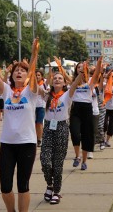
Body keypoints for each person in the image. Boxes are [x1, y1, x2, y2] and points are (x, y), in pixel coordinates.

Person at [0, 38, 39, 212]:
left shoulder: (30, 92)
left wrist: (33, 53)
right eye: (16, 70)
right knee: (5, 187)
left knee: (23, 185)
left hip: (27, 143)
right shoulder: (6, 91)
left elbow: (32, 70)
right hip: (7, 144)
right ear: (12, 75)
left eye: (23, 70)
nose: (19, 72)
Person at [40, 71, 83, 205]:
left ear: (64, 82)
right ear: (52, 82)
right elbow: (34, 87)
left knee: (57, 164)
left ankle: (57, 191)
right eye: (55, 78)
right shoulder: (47, 95)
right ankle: (50, 185)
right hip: (48, 128)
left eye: (60, 78)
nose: (57, 80)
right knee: (45, 161)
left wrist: (82, 72)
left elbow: (76, 83)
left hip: (61, 128)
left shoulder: (67, 95)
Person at [70, 58, 102, 170]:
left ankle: (84, 161)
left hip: (87, 109)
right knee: (74, 132)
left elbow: (97, 73)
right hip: (76, 109)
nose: (80, 69)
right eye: (78, 67)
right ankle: (77, 156)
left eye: (82, 67)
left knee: (86, 135)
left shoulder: (90, 82)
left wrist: (99, 63)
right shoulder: (73, 81)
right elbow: (63, 76)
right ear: (76, 70)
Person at [35, 69, 46, 147]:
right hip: (32, 106)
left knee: (39, 123)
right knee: (34, 124)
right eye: (36, 75)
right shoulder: (31, 84)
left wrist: (49, 66)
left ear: (42, 77)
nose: (37, 76)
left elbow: (49, 77)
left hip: (41, 106)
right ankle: (35, 138)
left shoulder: (44, 83)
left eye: (39, 75)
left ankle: (40, 139)